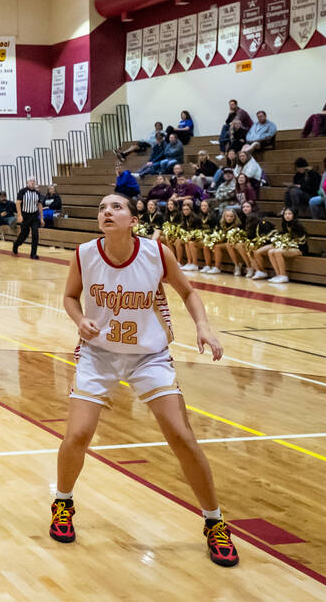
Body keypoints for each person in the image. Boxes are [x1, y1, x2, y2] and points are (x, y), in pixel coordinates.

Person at [50, 192, 237, 568]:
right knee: (78, 435)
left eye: (116, 207)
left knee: (181, 436)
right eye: (102, 207)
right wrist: (78, 319)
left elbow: (188, 292)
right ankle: (63, 501)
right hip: (98, 354)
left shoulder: (156, 252)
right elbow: (70, 297)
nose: (107, 211)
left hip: (148, 356)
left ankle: (215, 521)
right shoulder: (85, 253)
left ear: (132, 220)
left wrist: (203, 326)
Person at [254, 207, 308, 284]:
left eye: (289, 214)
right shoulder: (285, 224)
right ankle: (278, 275)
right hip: (289, 247)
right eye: (285, 214)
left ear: (293, 215)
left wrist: (286, 244)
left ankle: (283, 275)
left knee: (277, 252)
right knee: (271, 252)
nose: (287, 216)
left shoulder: (298, 226)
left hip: (299, 249)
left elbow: (301, 242)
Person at [240, 202, 275, 280]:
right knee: (247, 247)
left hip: (267, 242)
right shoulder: (243, 218)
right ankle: (255, 269)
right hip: (257, 241)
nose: (245, 208)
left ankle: (260, 270)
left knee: (253, 249)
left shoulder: (261, 223)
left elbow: (268, 235)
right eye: (243, 207)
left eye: (247, 206)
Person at [208, 207, 247, 276]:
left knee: (229, 245)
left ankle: (237, 266)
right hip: (227, 243)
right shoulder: (221, 224)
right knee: (217, 246)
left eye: (231, 216)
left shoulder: (239, 225)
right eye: (227, 216)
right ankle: (217, 267)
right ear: (224, 217)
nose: (229, 218)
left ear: (234, 217)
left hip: (236, 243)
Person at [12, 177, 42, 259]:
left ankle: (33, 254)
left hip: (34, 216)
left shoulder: (37, 193)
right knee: (24, 235)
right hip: (25, 216)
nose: (32, 182)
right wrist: (19, 215)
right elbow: (18, 203)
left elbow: (39, 205)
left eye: (34, 181)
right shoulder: (22, 191)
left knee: (35, 234)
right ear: (27, 182)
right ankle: (16, 244)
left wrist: (42, 218)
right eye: (31, 181)